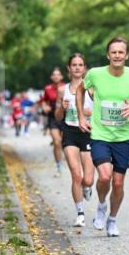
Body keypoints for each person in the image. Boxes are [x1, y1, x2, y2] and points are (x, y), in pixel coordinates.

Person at [77, 37, 129, 237]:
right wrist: (80, 117)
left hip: (123, 138)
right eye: (114, 52)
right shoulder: (95, 74)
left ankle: (112, 220)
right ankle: (101, 206)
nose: (117, 55)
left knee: (118, 183)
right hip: (100, 135)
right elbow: (80, 89)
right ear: (107, 55)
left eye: (121, 52)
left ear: (126, 55)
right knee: (104, 176)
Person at [57, 53, 96, 227]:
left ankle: (87, 188)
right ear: (69, 68)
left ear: (85, 68)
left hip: (87, 132)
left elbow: (101, 111)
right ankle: (80, 213)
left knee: (88, 179)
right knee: (76, 175)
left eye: (81, 64)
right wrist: (61, 107)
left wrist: (91, 113)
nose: (78, 67)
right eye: (74, 65)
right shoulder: (62, 90)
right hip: (70, 132)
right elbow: (57, 116)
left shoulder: (92, 88)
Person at [42, 68, 66, 172]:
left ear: (61, 77)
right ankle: (59, 165)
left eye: (58, 75)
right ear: (51, 77)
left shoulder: (67, 87)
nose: (56, 76)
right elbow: (44, 101)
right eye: (54, 75)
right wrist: (44, 107)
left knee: (64, 143)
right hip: (53, 117)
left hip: (65, 117)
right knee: (57, 141)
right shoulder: (48, 89)